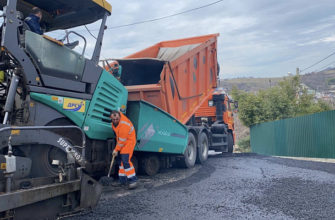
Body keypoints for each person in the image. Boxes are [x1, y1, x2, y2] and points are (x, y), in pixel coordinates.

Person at [110, 110, 137, 189]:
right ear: (111, 118)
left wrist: (116, 149)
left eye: (117, 119)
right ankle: (122, 181)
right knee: (120, 162)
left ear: (119, 117)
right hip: (122, 142)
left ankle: (133, 181)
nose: (115, 121)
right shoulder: (114, 123)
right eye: (113, 119)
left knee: (126, 161)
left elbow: (122, 140)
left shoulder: (124, 125)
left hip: (128, 142)